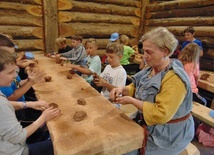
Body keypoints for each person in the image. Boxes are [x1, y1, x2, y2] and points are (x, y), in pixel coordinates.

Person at [110, 27, 194, 155]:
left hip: (168, 135)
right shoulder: (151, 69)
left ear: (165, 51)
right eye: (144, 51)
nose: (144, 56)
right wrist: (123, 89)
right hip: (150, 124)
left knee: (125, 151)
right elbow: (136, 86)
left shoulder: (174, 79)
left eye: (149, 52)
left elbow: (161, 113)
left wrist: (132, 101)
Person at [0, 49, 60, 155]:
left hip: (10, 141)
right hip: (17, 151)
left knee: (44, 130)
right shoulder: (2, 104)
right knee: (60, 144)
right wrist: (43, 118)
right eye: (10, 72)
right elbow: (18, 137)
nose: (15, 75)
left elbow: (6, 104)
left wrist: (28, 104)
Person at [93, 42, 127, 109]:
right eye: (107, 56)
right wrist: (97, 78)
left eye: (111, 57)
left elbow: (118, 92)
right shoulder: (108, 67)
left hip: (113, 103)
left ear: (119, 57)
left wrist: (105, 84)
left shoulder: (121, 72)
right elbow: (102, 80)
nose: (108, 59)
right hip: (103, 97)